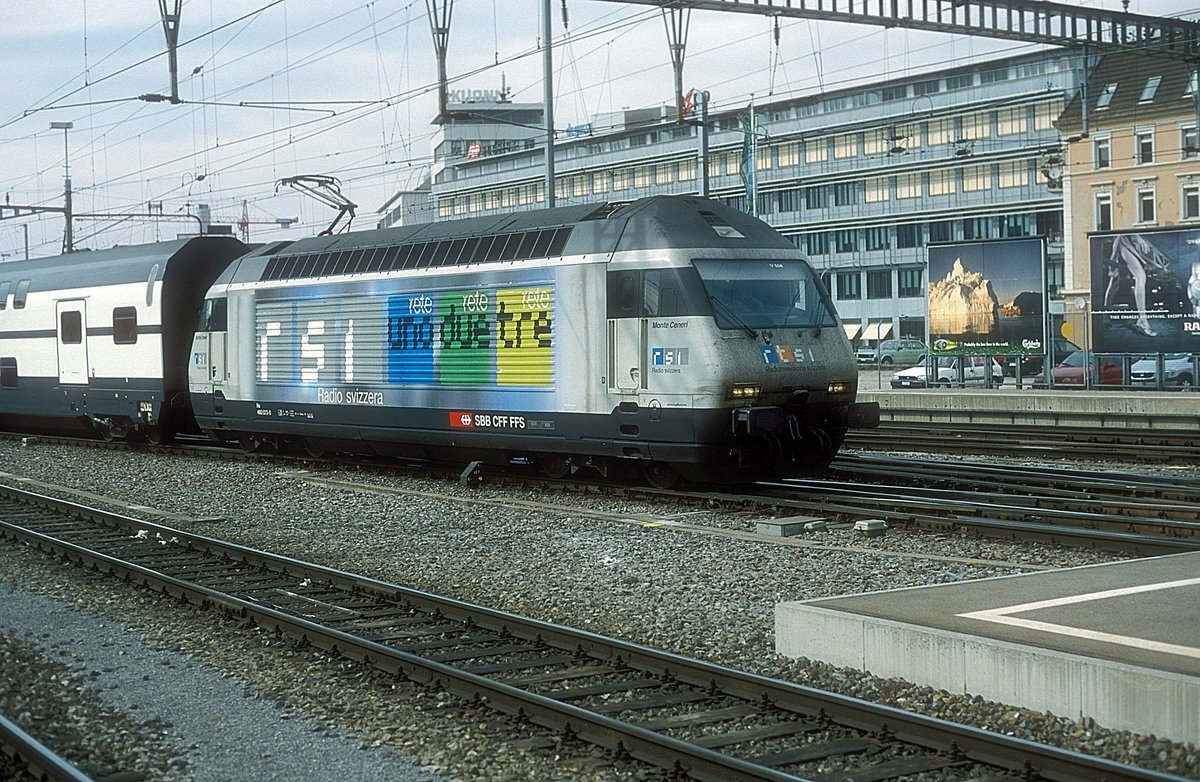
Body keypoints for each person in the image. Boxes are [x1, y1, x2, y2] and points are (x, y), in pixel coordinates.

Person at [1104, 234, 1156, 337]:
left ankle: (1105, 316)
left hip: (1122, 240)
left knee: (1114, 280)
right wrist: (1137, 236)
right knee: (1140, 276)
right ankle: (1142, 320)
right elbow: (1122, 226)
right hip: (1123, 239)